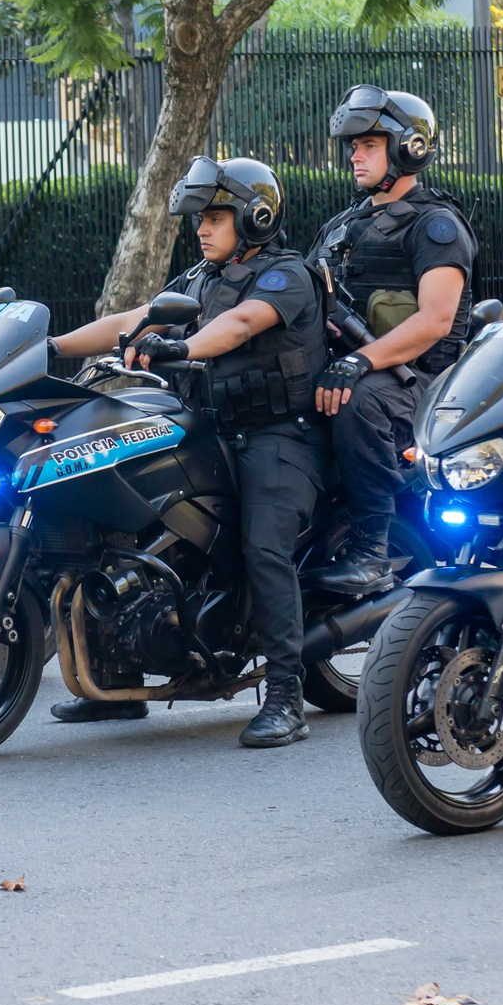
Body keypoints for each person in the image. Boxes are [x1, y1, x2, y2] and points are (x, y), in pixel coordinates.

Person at [48, 157, 324, 748]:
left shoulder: (286, 274)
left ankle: (285, 695)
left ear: (255, 216)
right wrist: (49, 345)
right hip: (208, 428)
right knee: (121, 520)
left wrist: (184, 345)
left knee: (263, 549)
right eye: (200, 215)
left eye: (216, 214)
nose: (202, 226)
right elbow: (131, 319)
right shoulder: (200, 277)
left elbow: (245, 324)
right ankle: (117, 681)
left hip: (277, 437)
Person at [305, 84, 476, 595]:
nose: (355, 154)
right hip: (354, 365)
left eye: (369, 144)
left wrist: (358, 361)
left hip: (418, 383)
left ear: (409, 147)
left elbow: (435, 321)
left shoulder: (436, 225)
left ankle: (371, 551)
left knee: (359, 402)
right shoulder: (344, 225)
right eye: (353, 145)